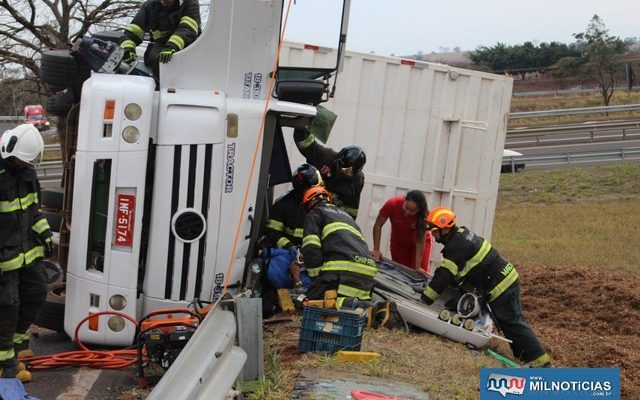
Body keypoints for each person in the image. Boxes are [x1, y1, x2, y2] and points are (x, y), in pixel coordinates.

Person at [420, 206, 551, 367]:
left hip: (501, 286)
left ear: (445, 230)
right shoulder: (462, 235)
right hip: (505, 279)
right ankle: (525, 359)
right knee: (510, 324)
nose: (432, 234)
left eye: (435, 230)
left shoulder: (455, 247)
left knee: (512, 323)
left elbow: (444, 275)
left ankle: (542, 364)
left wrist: (425, 299)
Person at [0, 125, 54, 382]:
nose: (23, 163)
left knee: (35, 293)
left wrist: (45, 234)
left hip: (27, 251)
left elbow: (34, 210)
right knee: (7, 305)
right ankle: (5, 362)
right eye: (20, 159)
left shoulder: (28, 173)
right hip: (4, 257)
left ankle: (18, 344)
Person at [298, 185, 378, 306]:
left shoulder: (315, 213)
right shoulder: (347, 216)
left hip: (344, 269)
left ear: (310, 202)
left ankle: (362, 306)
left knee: (315, 300)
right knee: (353, 304)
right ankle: (379, 309)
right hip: (367, 273)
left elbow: (311, 248)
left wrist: (316, 280)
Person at [264, 164, 322, 290]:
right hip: (288, 254)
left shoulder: (319, 205)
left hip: (311, 256)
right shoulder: (283, 205)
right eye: (312, 189)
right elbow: (272, 233)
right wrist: (290, 247)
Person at [293, 128, 366, 219]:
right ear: (338, 159)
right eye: (341, 168)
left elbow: (351, 209)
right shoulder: (325, 156)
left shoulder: (357, 180)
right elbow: (305, 144)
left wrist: (343, 223)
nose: (342, 173)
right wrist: (304, 124)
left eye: (348, 172)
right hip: (302, 205)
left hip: (326, 216)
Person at [120, 0, 201, 77]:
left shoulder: (190, 3)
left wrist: (172, 46)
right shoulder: (150, 5)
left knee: (176, 60)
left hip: (189, 45)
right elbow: (134, 30)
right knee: (156, 58)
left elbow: (187, 29)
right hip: (161, 44)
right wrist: (127, 50)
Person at [372, 190, 432, 275]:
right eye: (406, 207)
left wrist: (418, 266)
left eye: (412, 211)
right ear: (404, 200)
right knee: (402, 274)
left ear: (419, 210)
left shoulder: (424, 215)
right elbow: (378, 225)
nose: (407, 212)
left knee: (420, 274)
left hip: (418, 245)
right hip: (399, 245)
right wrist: (376, 249)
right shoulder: (392, 204)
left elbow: (420, 243)